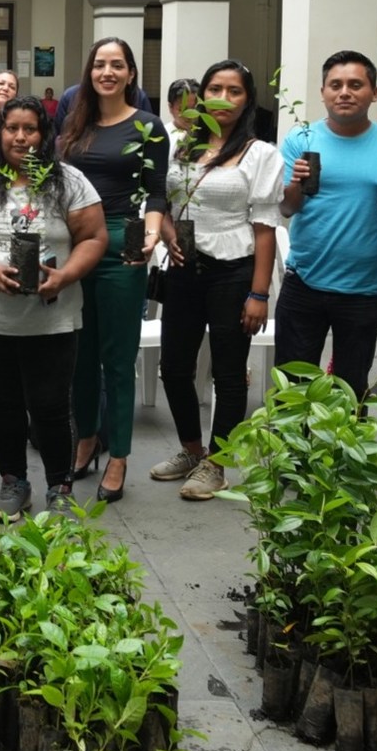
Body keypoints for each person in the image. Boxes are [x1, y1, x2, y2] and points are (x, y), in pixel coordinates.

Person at [0, 96, 105, 518]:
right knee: (3, 405)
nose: (20, 137)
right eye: (12, 128)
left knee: (51, 406)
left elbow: (94, 237)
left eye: (30, 129)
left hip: (53, 316)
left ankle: (59, 487)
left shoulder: (68, 180)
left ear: (44, 134)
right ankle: (13, 482)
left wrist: (65, 276)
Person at [148, 61, 280, 500]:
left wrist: (258, 293)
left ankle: (218, 463)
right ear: (201, 96)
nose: (223, 98)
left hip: (233, 270)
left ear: (248, 99)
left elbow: (265, 228)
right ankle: (192, 450)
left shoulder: (259, 154)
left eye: (234, 91)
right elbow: (163, 204)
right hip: (184, 266)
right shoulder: (181, 147)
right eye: (214, 89)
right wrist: (168, 235)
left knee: (228, 372)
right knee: (174, 366)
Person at [59, 37, 169, 502]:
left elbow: (157, 191)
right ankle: (87, 438)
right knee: (79, 354)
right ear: (90, 71)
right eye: (100, 64)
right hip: (74, 241)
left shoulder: (148, 126)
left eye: (117, 65)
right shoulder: (74, 124)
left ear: (130, 74)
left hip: (122, 241)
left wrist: (152, 234)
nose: (108, 72)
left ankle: (119, 455)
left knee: (118, 358)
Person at [274, 51, 377, 400]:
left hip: (366, 288)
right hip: (305, 280)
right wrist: (296, 183)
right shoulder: (302, 140)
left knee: (350, 390)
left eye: (355, 85)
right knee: (293, 389)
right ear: (323, 92)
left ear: (374, 93)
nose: (344, 92)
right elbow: (287, 208)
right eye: (336, 85)